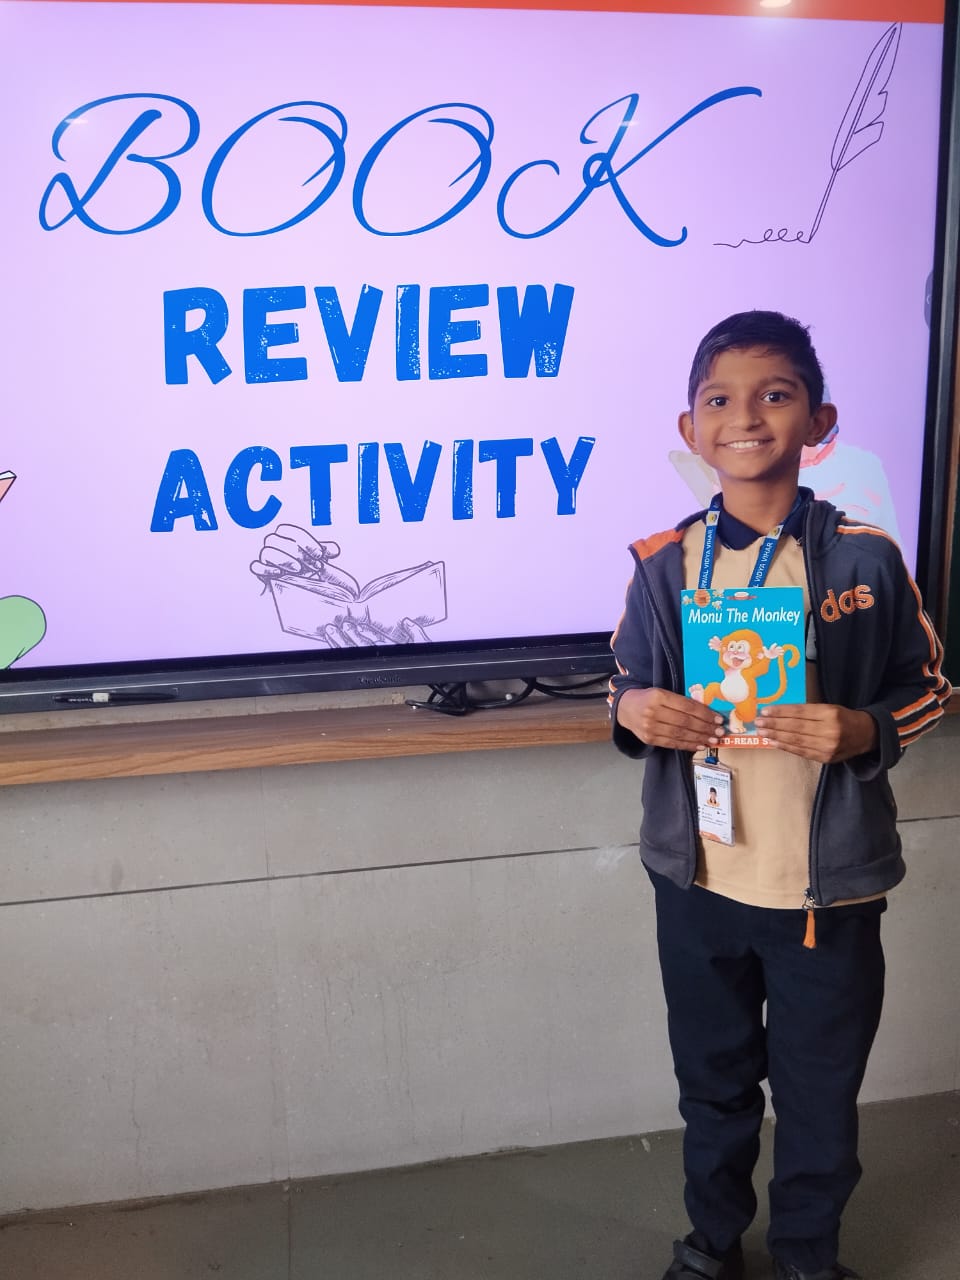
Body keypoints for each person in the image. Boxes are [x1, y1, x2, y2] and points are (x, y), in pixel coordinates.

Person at [609, 311, 950, 1280]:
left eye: (775, 394)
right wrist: (635, 708)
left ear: (819, 421)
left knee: (818, 1093)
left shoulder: (864, 559)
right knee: (711, 1086)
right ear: (691, 430)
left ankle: (806, 1255)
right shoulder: (661, 563)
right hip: (699, 883)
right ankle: (711, 1244)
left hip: (824, 894)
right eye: (719, 399)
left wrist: (864, 729)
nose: (746, 417)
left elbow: (931, 686)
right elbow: (622, 683)